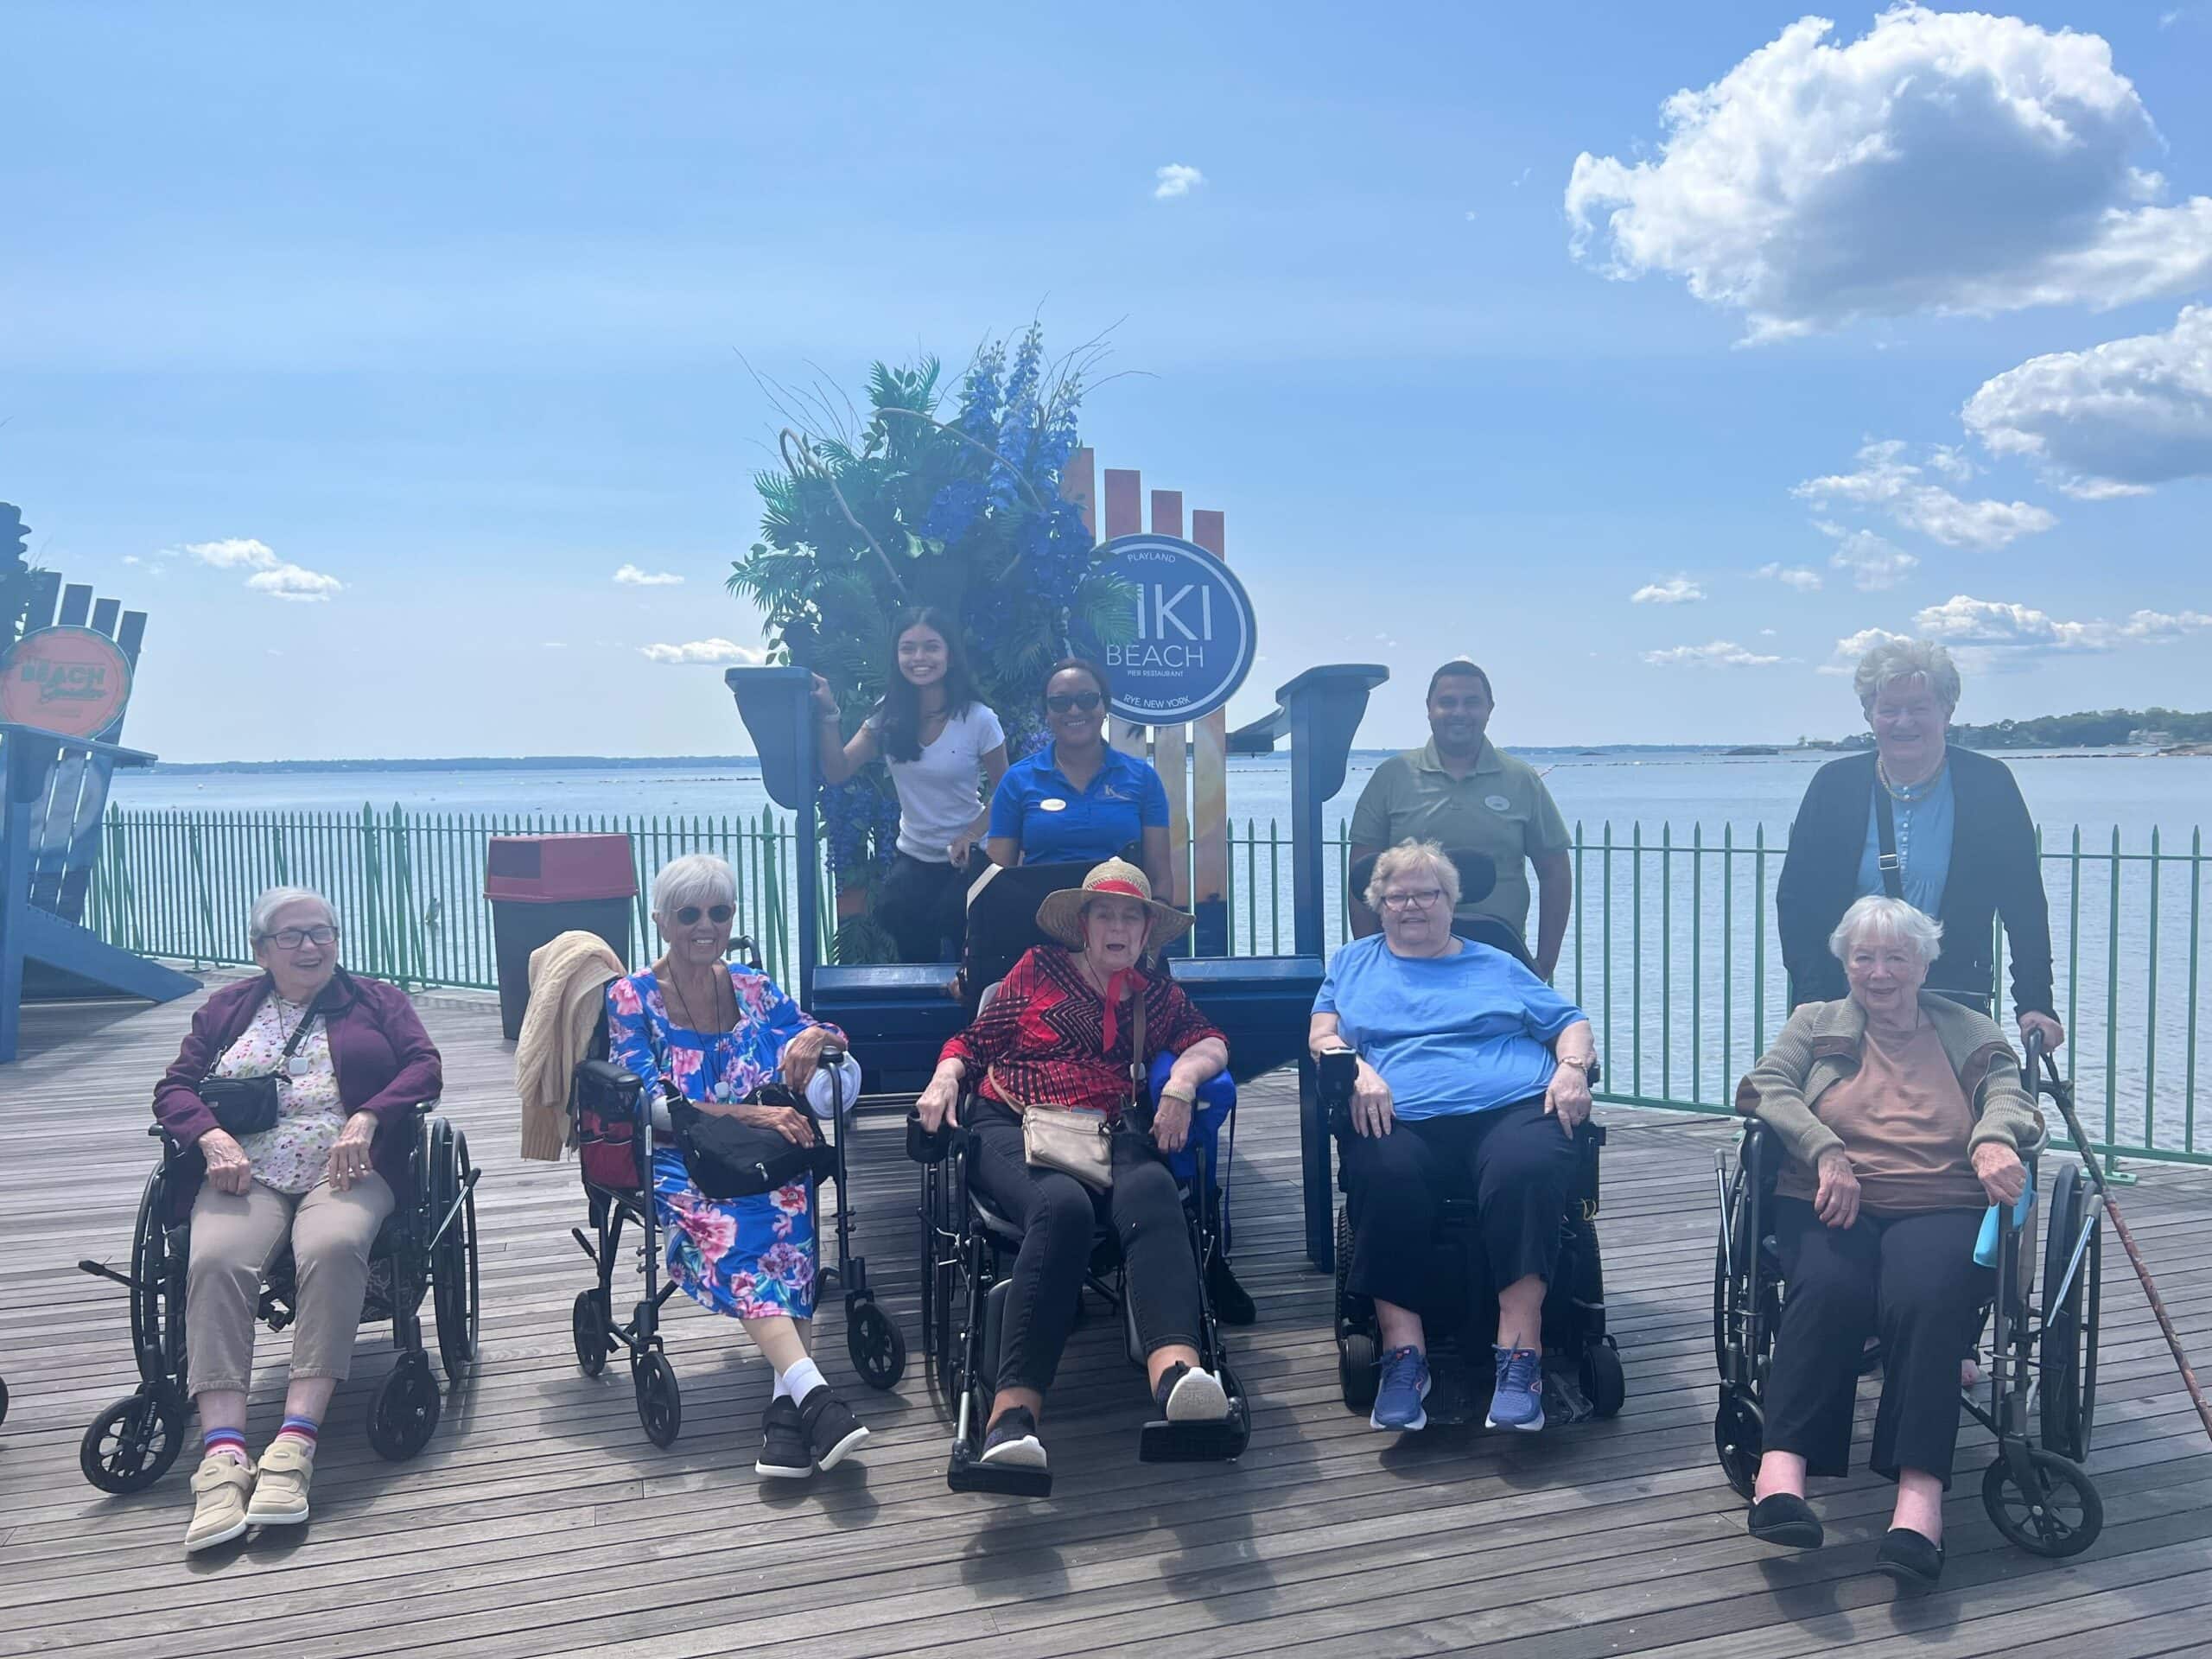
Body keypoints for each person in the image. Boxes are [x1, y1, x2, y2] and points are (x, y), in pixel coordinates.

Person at [1737, 894, 2042, 1588]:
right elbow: (1765, 1088)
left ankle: (1918, 1502)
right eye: (1864, 957)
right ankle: (1781, 1474)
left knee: (1927, 1298)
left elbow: (2011, 1097)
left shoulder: (1968, 1028)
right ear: (1844, 962)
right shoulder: (1814, 1024)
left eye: (1895, 957)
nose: (1879, 972)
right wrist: (1824, 1149)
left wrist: (1993, 1138)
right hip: (1828, 1191)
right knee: (1828, 1287)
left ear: (1924, 962)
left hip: (1940, 1200)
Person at [912, 858, 1232, 1474]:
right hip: (1013, 1122)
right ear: (1082, 926)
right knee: (1062, 1209)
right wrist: (945, 1078)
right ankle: (1012, 1418)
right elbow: (972, 1044)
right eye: (1104, 915)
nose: (1117, 928)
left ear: (1145, 932)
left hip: (1109, 1130)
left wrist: (1182, 1082)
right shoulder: (1038, 971)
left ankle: (1178, 1380)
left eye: (1130, 917)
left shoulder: (1155, 993)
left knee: (1154, 1194)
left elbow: (1211, 1039)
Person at [153, 887, 443, 1553]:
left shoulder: (377, 1001)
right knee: (213, 1260)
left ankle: (293, 1445)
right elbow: (173, 1087)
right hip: (243, 1173)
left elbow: (425, 1068)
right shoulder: (227, 1009)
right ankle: (223, 1459)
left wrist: (369, 1117)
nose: (311, 946)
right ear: (262, 950)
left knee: (337, 1246)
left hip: (348, 1170)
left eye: (322, 933)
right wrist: (209, 1137)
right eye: (293, 936)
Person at [1310, 840, 1597, 1434]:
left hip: (1509, 1106)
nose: (1411, 906)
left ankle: (1521, 1355)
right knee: (1382, 1173)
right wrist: (1356, 1067)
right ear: (1378, 905)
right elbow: (1323, 1034)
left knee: (1526, 1169)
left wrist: (1571, 1070)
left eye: (1426, 894)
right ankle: (1403, 1356)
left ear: (1451, 900)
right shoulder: (1352, 963)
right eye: (1397, 896)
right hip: (1400, 1113)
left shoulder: (1495, 963)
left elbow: (1569, 1021)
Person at [605, 854, 870, 1482]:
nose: (706, 925)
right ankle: (813, 1394)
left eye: (719, 912)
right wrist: (750, 1116)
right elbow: (648, 1099)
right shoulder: (632, 997)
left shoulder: (752, 985)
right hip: (681, 1158)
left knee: (789, 1204)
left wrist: (815, 1039)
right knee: (736, 1228)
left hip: (759, 1156)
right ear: (662, 922)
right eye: (689, 913)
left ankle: (789, 1413)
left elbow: (820, 1031)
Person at [1777, 637, 2064, 1055]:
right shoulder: (1833, 786)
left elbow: (2024, 906)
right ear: (1869, 715)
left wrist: (2036, 1003)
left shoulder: (1990, 785)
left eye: (1919, 708)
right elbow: (1797, 901)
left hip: (1954, 995)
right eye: (1889, 709)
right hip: (1846, 995)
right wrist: (1812, 995)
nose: (1903, 722)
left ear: (1947, 712)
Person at [1348, 659, 1573, 980]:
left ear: (1489, 708)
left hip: (1501, 961)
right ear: (1429, 708)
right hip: (1408, 961)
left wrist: (1544, 965)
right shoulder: (1392, 777)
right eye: (1447, 702)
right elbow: (1362, 877)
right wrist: (1371, 959)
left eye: (1471, 702)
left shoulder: (1521, 780)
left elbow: (1555, 874)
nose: (1459, 712)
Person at [813, 606, 1009, 963]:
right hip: (913, 857)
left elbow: (1008, 792)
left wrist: (968, 836)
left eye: (931, 647)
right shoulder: (889, 714)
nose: (919, 657)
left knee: (958, 928)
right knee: (896, 914)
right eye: (908, 648)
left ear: (949, 656)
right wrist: (828, 713)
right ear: (897, 657)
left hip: (968, 858)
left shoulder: (979, 719)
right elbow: (838, 770)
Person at [985, 658, 1173, 899]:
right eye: (1060, 702)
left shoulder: (1143, 778)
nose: (1074, 710)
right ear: (1047, 713)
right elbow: (997, 878)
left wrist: (1150, 932)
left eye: (1087, 699)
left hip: (1120, 927)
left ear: (1104, 707)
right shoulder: (1017, 781)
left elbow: (1160, 878)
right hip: (1039, 926)